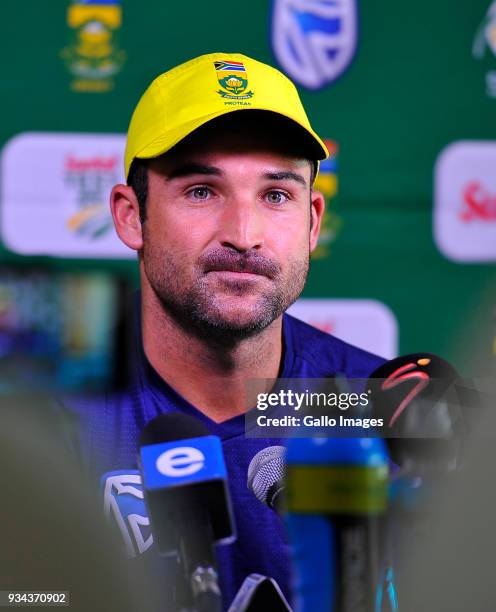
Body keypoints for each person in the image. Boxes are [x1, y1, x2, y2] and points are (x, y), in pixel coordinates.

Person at [67, 52, 384, 609]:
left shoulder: (375, 413)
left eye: (276, 195)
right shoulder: (43, 416)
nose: (243, 234)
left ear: (312, 221)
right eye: (201, 191)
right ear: (129, 215)